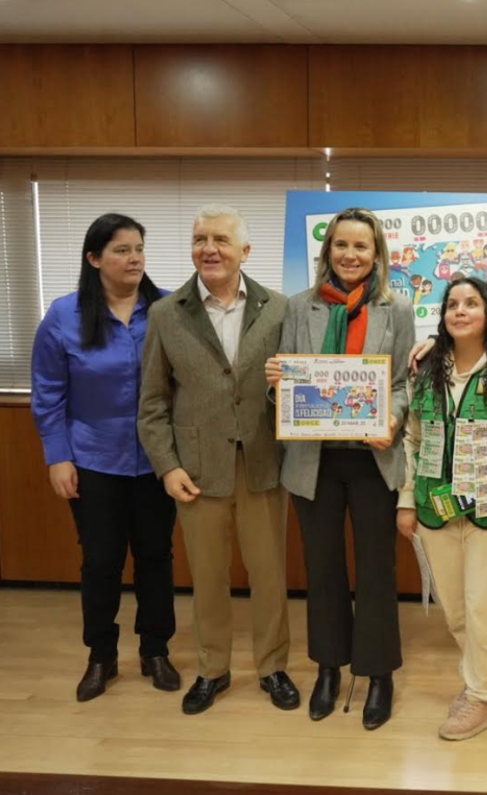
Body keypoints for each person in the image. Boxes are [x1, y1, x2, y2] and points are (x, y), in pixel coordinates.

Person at [138, 203, 296, 715]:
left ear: (245, 251)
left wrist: (284, 386)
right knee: (207, 578)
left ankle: (273, 667)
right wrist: (168, 466)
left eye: (221, 240)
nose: (209, 249)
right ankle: (212, 669)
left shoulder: (280, 308)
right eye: (200, 239)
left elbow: (298, 390)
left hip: (263, 464)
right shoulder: (166, 313)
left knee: (269, 575)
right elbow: (153, 403)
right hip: (196, 471)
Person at [265, 207, 415, 730]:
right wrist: (276, 379)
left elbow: (401, 384)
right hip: (314, 460)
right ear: (327, 251)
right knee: (323, 568)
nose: (351, 255)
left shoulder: (396, 309)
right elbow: (285, 374)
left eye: (362, 247)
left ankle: (378, 674)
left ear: (378, 255)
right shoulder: (298, 307)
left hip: (373, 459)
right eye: (341, 245)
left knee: (377, 570)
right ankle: (329, 667)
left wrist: (392, 418)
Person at [31, 213, 179, 702]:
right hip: (92, 459)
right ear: (94, 259)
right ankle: (101, 656)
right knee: (101, 562)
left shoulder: (166, 311)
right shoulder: (63, 315)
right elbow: (49, 393)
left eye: (139, 248)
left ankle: (155, 649)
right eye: (121, 250)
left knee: (156, 557)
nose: (134, 257)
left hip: (159, 460)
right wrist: (58, 456)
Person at [397, 277, 487, 741]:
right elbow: (412, 439)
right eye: (452, 304)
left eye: (471, 303)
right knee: (455, 612)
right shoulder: (425, 367)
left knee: (484, 609)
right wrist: (405, 499)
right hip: (435, 508)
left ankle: (481, 696)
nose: (460, 311)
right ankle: (478, 683)